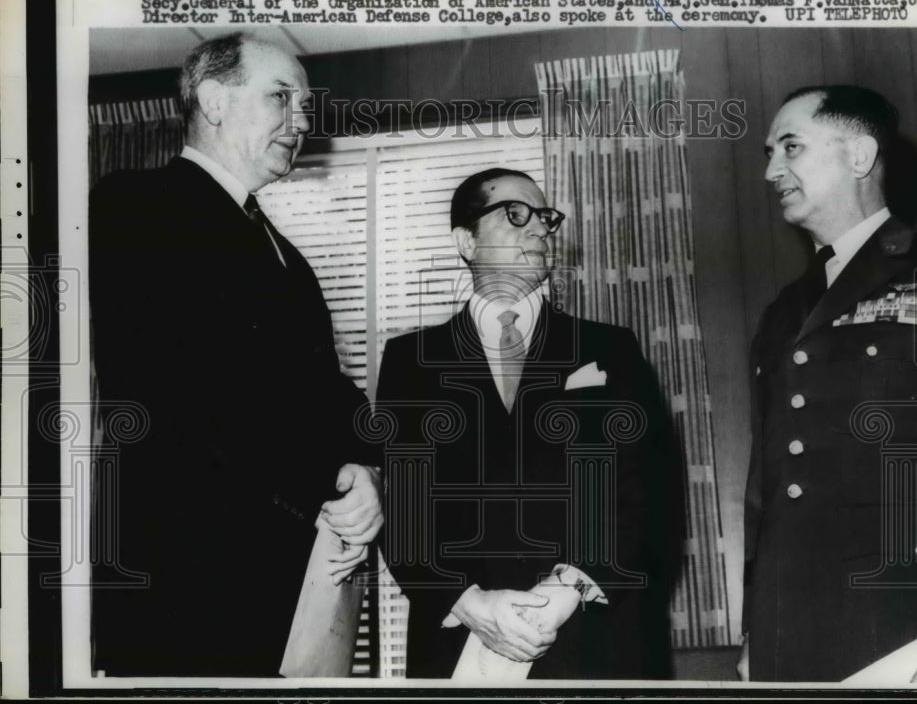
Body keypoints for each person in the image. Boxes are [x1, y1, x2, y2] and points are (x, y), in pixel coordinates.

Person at [89, 33, 382, 676]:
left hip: (281, 591)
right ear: (215, 101)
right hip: (183, 584)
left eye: (304, 105)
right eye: (281, 97)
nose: (302, 121)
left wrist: (364, 466)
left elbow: (324, 389)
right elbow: (176, 392)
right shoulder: (133, 208)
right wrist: (323, 479)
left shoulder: (286, 254)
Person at [375, 168, 678, 679]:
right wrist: (470, 603)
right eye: (516, 215)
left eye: (546, 217)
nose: (539, 228)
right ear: (465, 240)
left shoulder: (611, 349)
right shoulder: (410, 361)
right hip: (461, 651)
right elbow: (404, 512)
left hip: (599, 650)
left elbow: (652, 496)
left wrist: (566, 591)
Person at [739, 86, 917, 682]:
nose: (772, 170)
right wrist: (756, 627)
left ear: (859, 154)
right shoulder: (783, 310)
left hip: (906, 620)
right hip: (788, 626)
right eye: (770, 152)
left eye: (791, 147)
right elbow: (766, 489)